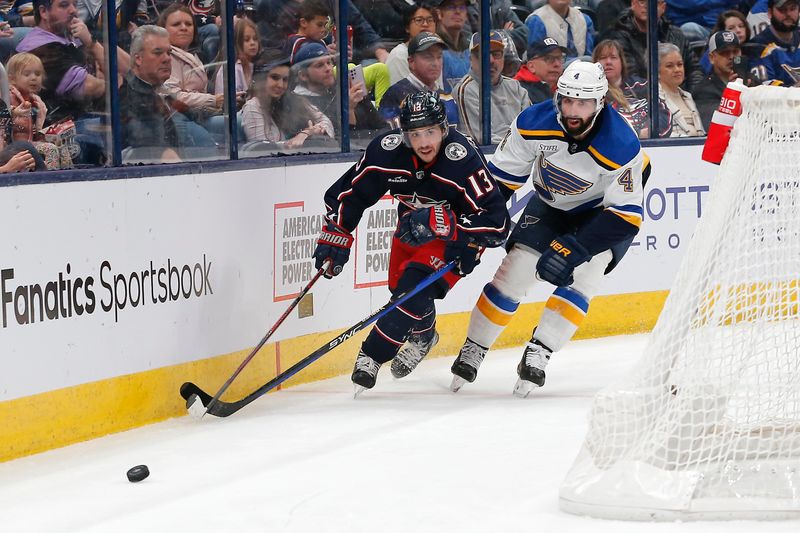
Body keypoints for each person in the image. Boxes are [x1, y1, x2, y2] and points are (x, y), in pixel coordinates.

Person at [449, 61, 648, 397]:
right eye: (567, 100)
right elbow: (498, 183)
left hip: (600, 216)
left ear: (600, 103)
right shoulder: (532, 122)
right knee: (513, 274)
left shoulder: (621, 143)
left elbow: (626, 214)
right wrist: (475, 225)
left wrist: (575, 247)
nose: (572, 110)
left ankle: (540, 350)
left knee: (585, 277)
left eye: (582, 103)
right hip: (550, 206)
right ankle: (474, 347)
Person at [312, 91, 510, 394]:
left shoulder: (462, 160)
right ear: (403, 134)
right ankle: (424, 335)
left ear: (444, 129)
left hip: (459, 240)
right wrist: (338, 232)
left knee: (410, 293)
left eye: (431, 132)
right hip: (410, 230)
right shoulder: (386, 152)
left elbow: (498, 223)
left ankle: (372, 355)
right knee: (401, 289)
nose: (424, 142)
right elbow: (350, 194)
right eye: (415, 134)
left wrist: (451, 226)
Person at [291, 42, 386, 143]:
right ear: (303, 76)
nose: (328, 69)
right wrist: (348, 110)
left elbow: (384, 129)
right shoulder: (298, 104)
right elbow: (338, 144)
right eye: (319, 65)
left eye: (329, 62)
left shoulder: (347, 89)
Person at [600, 0, 702, 91]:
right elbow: (630, 76)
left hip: (679, 96)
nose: (648, 6)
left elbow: (694, 71)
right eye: (642, 1)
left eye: (655, 2)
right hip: (644, 99)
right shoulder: (619, 36)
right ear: (633, 4)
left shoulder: (676, 34)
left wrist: (690, 97)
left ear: (663, 7)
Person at [240, 53, 333, 148]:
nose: (280, 85)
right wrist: (298, 140)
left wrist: (308, 133)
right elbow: (261, 149)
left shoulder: (294, 99)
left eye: (285, 79)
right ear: (261, 78)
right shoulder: (253, 106)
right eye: (275, 78)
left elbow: (326, 122)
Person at [453, 30, 531, 143]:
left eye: (496, 54)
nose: (490, 60)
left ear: (503, 57)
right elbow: (479, 140)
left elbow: (532, 128)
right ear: (471, 59)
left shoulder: (516, 87)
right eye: (483, 54)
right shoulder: (465, 89)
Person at [119, 25, 182, 163]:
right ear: (138, 59)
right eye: (158, 53)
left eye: (169, 53)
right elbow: (157, 150)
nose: (167, 59)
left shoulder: (153, 93)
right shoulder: (128, 99)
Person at [593, 38, 671, 138]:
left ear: (622, 61)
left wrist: (652, 131)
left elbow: (664, 114)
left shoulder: (641, 86)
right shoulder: (593, 94)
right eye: (603, 57)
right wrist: (637, 134)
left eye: (613, 57)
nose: (608, 62)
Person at [379, 31, 458, 127]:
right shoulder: (395, 94)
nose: (435, 63)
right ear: (411, 62)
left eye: (439, 57)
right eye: (428, 57)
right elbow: (390, 137)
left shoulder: (447, 97)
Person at [6, 52, 71, 169]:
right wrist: (14, 111)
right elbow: (3, 111)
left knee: (61, 145)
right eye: (27, 74)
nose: (33, 78)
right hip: (12, 145)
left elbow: (35, 132)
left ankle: (68, 176)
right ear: (12, 79)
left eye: (37, 74)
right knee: (50, 149)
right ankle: (49, 179)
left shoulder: (36, 101)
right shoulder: (9, 96)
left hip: (31, 142)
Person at [693, 31, 745, 127]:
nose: (731, 57)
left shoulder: (752, 82)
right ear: (712, 58)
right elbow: (716, 125)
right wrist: (732, 93)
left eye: (735, 51)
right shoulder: (703, 91)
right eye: (725, 52)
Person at [658, 42, 705, 137]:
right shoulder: (654, 99)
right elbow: (662, 134)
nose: (677, 70)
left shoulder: (688, 96)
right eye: (669, 66)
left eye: (680, 64)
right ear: (657, 71)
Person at [386, 4, 440, 85]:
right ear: (407, 28)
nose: (425, 24)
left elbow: (439, 90)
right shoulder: (399, 55)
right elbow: (403, 95)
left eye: (430, 20)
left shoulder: (437, 54)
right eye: (419, 20)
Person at [525, 0, 595, 60]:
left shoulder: (585, 20)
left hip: (581, 70)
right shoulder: (536, 20)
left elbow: (589, 55)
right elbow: (535, 59)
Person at [753, 0, 800, 85]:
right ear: (770, 13)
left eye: (792, 9)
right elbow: (765, 88)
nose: (788, 14)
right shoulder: (758, 46)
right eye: (782, 9)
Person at [431, 0, 472, 92]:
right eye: (451, 7)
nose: (458, 11)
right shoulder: (431, 46)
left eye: (462, 7)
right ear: (439, 13)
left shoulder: (472, 47)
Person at [213, 18, 261, 95]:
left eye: (255, 39)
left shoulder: (259, 65)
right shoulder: (231, 69)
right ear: (237, 42)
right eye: (246, 40)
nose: (252, 43)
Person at [515, 37, 567, 104]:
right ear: (531, 66)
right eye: (549, 59)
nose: (557, 64)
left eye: (560, 58)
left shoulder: (567, 87)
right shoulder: (519, 91)